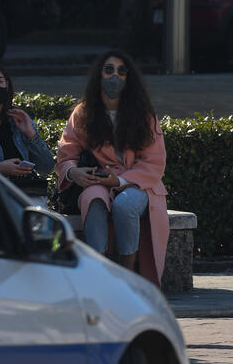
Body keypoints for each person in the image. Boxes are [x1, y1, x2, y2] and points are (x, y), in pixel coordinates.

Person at [55, 50, 169, 286]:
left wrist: (119, 181)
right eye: (109, 70)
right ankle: (99, 276)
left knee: (125, 205)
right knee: (93, 199)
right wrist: (73, 172)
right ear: (99, 75)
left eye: (121, 71)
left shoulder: (145, 116)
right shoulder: (83, 113)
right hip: (97, 181)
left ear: (129, 78)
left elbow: (153, 162)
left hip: (139, 184)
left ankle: (127, 278)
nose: (114, 76)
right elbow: (66, 153)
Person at [0, 62, 54, 203]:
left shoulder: (18, 120)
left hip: (27, 195)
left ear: (7, 85)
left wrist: (31, 134)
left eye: (0, 81)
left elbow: (46, 167)